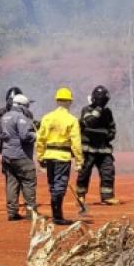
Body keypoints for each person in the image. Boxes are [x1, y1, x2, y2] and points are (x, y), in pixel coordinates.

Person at [35, 87, 82, 226]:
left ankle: (56, 214)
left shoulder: (47, 117)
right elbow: (76, 143)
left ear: (57, 101)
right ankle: (57, 217)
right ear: (69, 102)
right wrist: (79, 161)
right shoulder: (72, 120)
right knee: (60, 186)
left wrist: (40, 156)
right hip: (63, 156)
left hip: (49, 155)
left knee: (53, 185)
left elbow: (40, 139)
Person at [0, 93, 38, 220]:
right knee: (28, 182)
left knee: (11, 183)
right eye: (27, 106)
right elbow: (25, 136)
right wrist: (37, 135)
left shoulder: (4, 117)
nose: (28, 108)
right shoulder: (21, 117)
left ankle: (12, 212)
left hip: (7, 155)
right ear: (21, 106)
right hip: (21, 156)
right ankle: (31, 213)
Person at [76, 85, 118, 206]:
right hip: (88, 149)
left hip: (104, 149)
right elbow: (89, 122)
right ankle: (81, 196)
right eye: (100, 99)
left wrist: (108, 135)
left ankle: (107, 196)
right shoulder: (86, 110)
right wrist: (98, 108)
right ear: (94, 99)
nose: (102, 102)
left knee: (108, 172)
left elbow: (112, 128)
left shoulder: (108, 112)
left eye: (103, 100)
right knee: (84, 173)